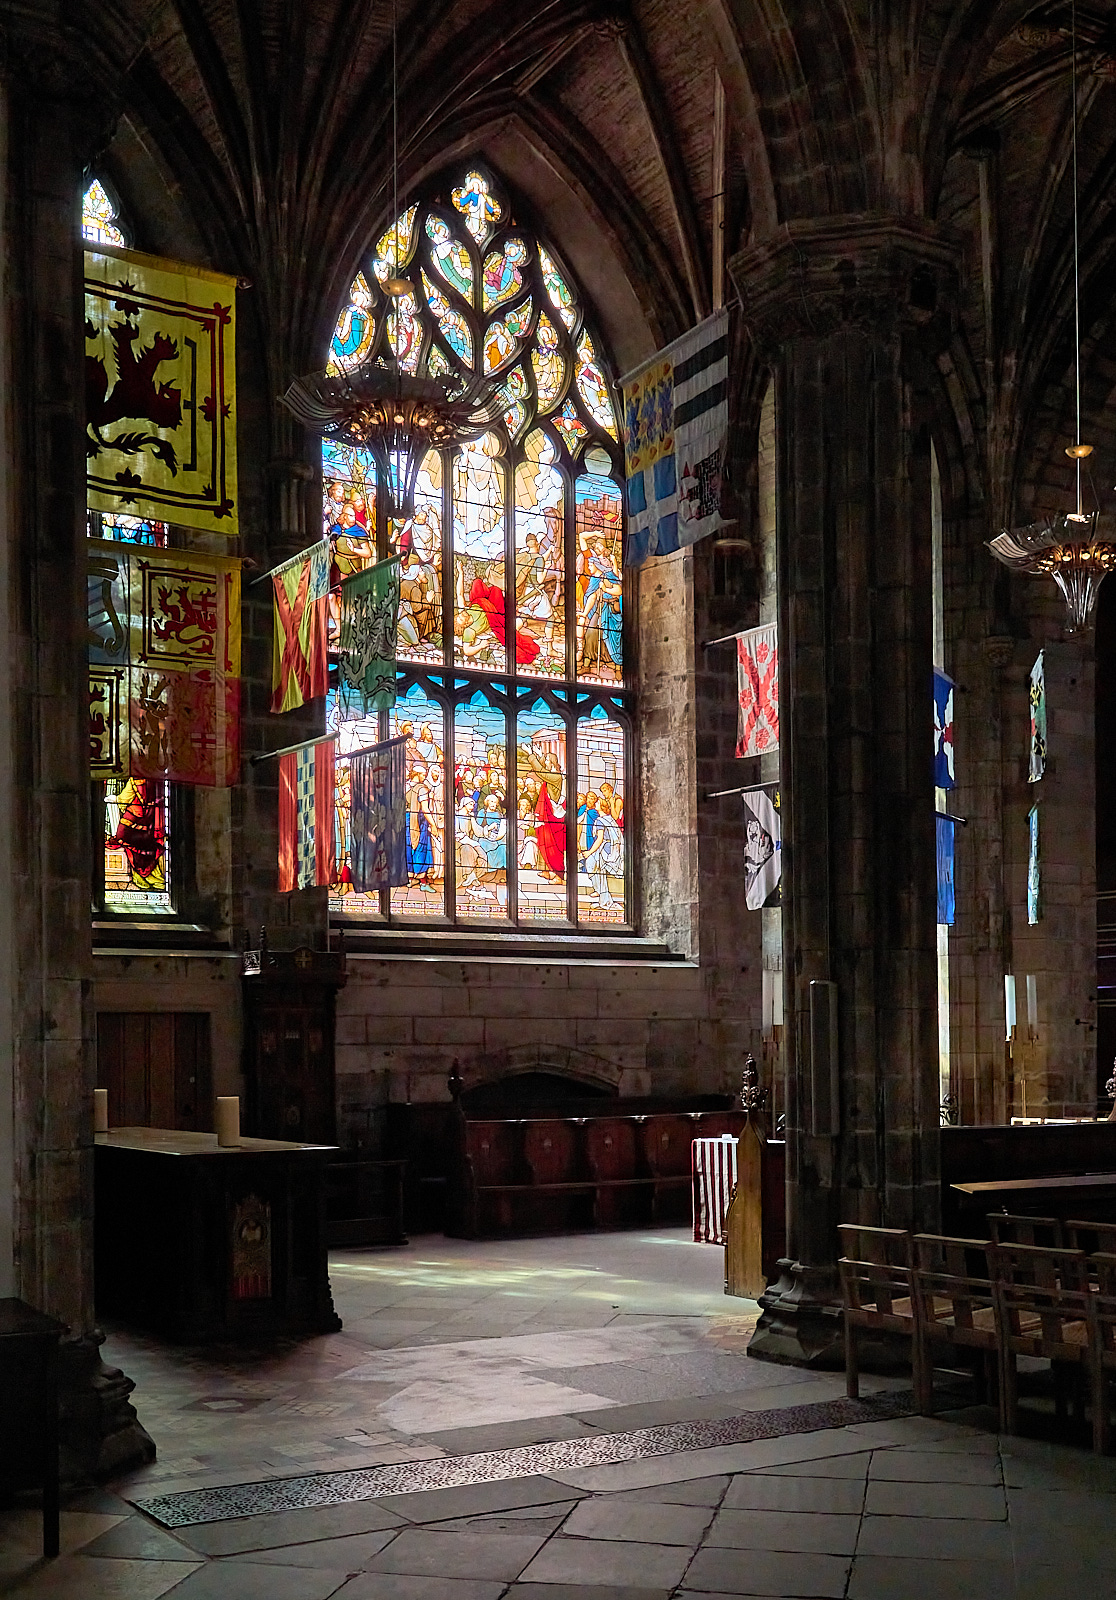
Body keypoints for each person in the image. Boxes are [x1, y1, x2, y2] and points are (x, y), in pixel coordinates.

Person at [584, 794, 623, 911]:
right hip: (611, 850)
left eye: (597, 802)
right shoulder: (610, 818)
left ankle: (605, 900)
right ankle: (602, 895)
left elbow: (600, 839)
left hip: (605, 852)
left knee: (592, 864)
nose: (595, 803)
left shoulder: (600, 821)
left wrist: (589, 852)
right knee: (593, 866)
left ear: (601, 806)